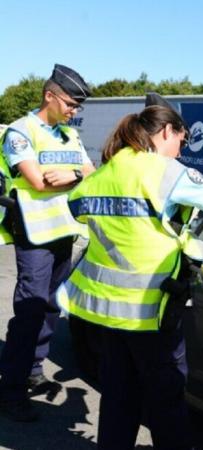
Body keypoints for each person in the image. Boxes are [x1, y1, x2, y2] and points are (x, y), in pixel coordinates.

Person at [56, 95, 203, 450]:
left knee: (118, 397)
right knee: (166, 401)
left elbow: (77, 205)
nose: (180, 150)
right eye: (180, 141)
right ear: (166, 131)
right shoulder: (165, 172)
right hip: (153, 312)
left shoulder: (108, 170)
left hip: (108, 313)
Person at [0, 64, 95, 422]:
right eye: (71, 103)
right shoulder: (19, 132)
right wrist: (72, 178)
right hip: (35, 233)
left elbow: (90, 173)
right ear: (49, 96)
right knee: (30, 310)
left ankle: (33, 368)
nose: (74, 111)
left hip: (63, 231)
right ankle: (10, 391)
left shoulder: (69, 134)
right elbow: (37, 182)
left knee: (52, 306)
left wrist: (69, 176)